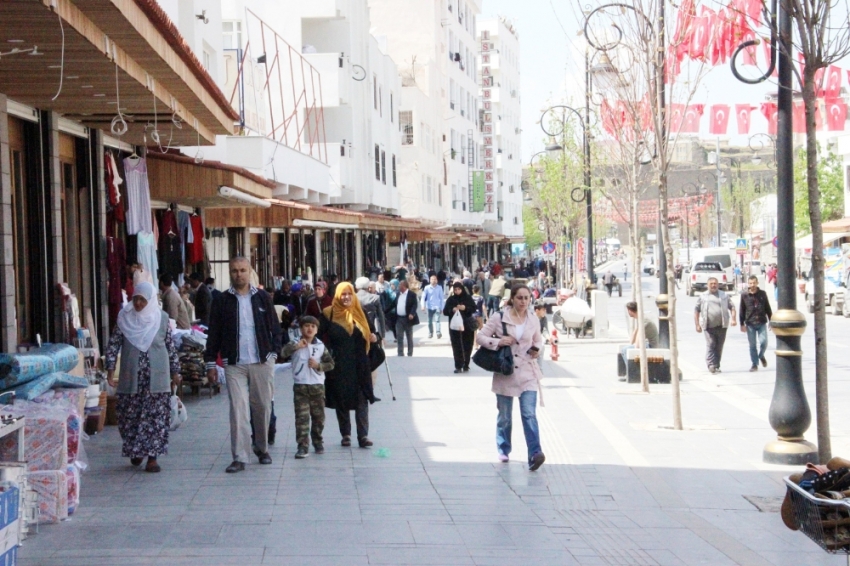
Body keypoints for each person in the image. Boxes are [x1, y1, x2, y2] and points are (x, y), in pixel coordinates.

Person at [204, 257, 282, 473]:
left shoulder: (263, 298)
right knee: (238, 409)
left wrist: (273, 354)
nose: (239, 274)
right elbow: (214, 333)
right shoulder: (221, 301)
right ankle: (240, 456)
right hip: (234, 363)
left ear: (250, 272)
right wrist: (210, 363)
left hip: (261, 361)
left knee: (262, 407)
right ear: (230, 273)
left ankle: (262, 448)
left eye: (242, 270)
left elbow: (275, 328)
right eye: (234, 271)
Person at [105, 282, 180, 473]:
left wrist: (175, 371)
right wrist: (110, 368)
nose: (138, 303)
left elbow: (170, 347)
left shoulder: (161, 319)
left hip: (157, 379)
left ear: (151, 301)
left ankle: (152, 458)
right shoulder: (124, 318)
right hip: (131, 378)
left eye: (143, 300)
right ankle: (136, 450)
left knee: (155, 419)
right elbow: (114, 344)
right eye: (136, 299)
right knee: (129, 417)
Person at [476, 285, 546, 471]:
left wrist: (537, 348)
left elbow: (538, 339)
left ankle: (535, 453)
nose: (524, 301)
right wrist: (498, 342)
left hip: (527, 371)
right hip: (506, 371)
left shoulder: (532, 319)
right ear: (512, 299)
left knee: (529, 414)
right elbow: (481, 336)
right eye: (520, 297)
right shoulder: (499, 317)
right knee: (505, 416)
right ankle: (503, 447)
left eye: (527, 297)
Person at [320, 282, 379, 448]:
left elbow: (373, 332)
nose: (346, 297)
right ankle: (345, 434)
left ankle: (363, 436)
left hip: (360, 363)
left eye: (349, 294)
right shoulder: (328, 314)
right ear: (338, 296)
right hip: (338, 364)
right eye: (343, 294)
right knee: (341, 399)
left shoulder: (360, 313)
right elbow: (315, 334)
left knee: (362, 399)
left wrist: (374, 337)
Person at [280, 316, 335, 459]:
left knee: (318, 417)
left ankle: (317, 440)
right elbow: (283, 353)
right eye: (306, 326)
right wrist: (296, 346)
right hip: (301, 386)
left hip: (317, 386)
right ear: (301, 328)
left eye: (312, 326)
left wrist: (318, 366)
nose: (309, 329)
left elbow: (331, 364)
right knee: (301, 418)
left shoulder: (321, 346)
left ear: (316, 330)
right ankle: (302, 446)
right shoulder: (295, 343)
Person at [694, 277, 737, 374]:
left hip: (722, 325)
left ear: (718, 284)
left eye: (715, 283)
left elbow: (732, 307)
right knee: (711, 344)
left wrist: (733, 319)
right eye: (711, 283)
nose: (713, 285)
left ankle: (716, 365)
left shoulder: (724, 295)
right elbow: (696, 310)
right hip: (708, 325)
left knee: (719, 346)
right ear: (707, 285)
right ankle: (710, 364)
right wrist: (697, 325)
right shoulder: (703, 296)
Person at [619, 301, 659, 381]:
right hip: (648, 344)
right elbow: (635, 332)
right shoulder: (641, 318)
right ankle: (630, 373)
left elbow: (639, 336)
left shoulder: (644, 321)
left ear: (630, 310)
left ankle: (632, 373)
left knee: (624, 350)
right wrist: (630, 344)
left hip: (652, 346)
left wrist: (634, 348)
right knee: (625, 348)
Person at [739, 275, 773, 372]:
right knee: (752, 345)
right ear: (748, 284)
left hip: (761, 322)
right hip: (750, 323)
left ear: (757, 283)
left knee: (764, 342)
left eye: (754, 283)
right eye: (750, 283)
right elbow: (742, 309)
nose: (752, 285)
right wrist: (741, 324)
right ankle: (754, 364)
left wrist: (771, 320)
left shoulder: (762, 294)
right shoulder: (744, 295)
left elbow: (768, 308)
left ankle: (761, 355)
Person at [444, 281, 477, 373]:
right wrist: (452, 309)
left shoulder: (467, 298)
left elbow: (473, 308)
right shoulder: (451, 299)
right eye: (455, 290)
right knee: (456, 345)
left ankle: (466, 364)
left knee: (468, 344)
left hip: (467, 325)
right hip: (455, 327)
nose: (457, 291)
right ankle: (458, 365)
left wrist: (465, 308)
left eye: (459, 289)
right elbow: (445, 311)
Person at [392, 280, 419, 356]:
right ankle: (400, 352)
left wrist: (412, 314)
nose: (398, 286)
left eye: (400, 285)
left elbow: (415, 305)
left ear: (404, 286)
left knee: (409, 337)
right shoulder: (398, 294)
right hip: (399, 319)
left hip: (408, 319)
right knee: (399, 336)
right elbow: (394, 304)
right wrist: (385, 311)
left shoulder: (412, 294)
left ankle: (410, 352)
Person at [421, 275, 445, 339]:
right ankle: (430, 333)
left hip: (437, 306)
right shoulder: (426, 288)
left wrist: (442, 308)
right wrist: (422, 306)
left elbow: (442, 298)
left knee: (437, 320)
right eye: (432, 279)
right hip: (429, 307)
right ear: (430, 280)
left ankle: (438, 333)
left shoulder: (439, 288)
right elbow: (423, 297)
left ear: (437, 280)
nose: (433, 280)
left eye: (435, 279)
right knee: (429, 321)